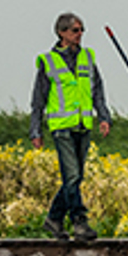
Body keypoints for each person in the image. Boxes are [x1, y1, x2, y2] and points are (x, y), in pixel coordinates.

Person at [30, 12, 111, 240]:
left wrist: (104, 117)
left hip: (83, 125)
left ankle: (54, 219)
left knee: (74, 178)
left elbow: (98, 91)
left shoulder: (87, 57)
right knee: (72, 176)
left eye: (82, 29)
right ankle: (79, 221)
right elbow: (38, 100)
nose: (80, 34)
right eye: (75, 30)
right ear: (62, 33)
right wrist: (36, 131)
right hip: (62, 128)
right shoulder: (48, 61)